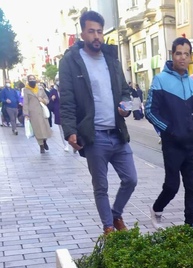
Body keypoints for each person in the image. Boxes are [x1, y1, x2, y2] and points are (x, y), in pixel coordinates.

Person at [59, 10, 138, 235]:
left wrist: (126, 107)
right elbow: (67, 100)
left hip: (117, 133)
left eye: (99, 32)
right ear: (82, 33)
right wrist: (70, 131)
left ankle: (116, 213)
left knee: (131, 179)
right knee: (100, 186)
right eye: (91, 31)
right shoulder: (71, 62)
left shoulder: (111, 59)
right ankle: (108, 227)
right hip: (94, 136)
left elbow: (125, 91)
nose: (96, 36)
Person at [145, 36, 193, 230]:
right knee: (172, 186)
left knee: (192, 186)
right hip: (171, 145)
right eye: (179, 53)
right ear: (173, 55)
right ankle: (157, 208)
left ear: (190, 57)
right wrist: (168, 130)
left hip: (189, 146)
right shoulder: (160, 80)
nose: (182, 58)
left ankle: (190, 225)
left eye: (186, 54)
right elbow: (150, 111)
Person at [22, 74, 52, 154]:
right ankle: (41, 146)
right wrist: (26, 114)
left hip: (42, 112)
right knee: (37, 130)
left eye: (33, 78)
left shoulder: (40, 88)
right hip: (33, 113)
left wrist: (42, 100)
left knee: (45, 129)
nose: (32, 80)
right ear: (28, 80)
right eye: (30, 79)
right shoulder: (26, 90)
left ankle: (45, 141)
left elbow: (47, 99)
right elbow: (25, 102)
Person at [48, 79, 69, 152]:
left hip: (67, 111)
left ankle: (73, 143)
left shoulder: (66, 88)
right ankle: (65, 145)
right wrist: (52, 98)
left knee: (70, 128)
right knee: (62, 130)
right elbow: (49, 102)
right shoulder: (53, 91)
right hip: (58, 112)